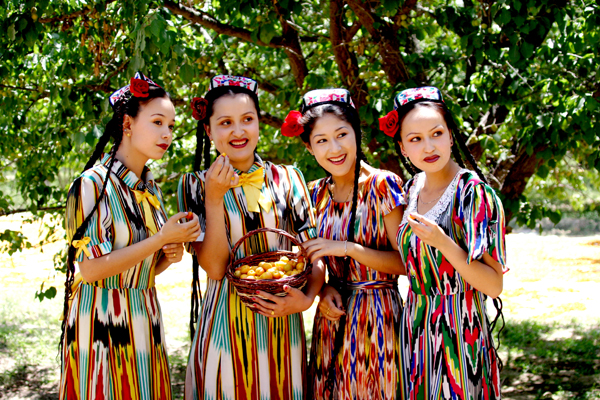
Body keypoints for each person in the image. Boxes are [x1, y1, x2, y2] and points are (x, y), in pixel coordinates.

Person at [178, 75, 324, 400]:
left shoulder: (288, 178)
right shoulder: (193, 185)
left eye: (247, 119)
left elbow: (314, 253)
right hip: (224, 329)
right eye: (225, 122)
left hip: (283, 325)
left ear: (259, 123)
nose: (238, 131)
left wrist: (307, 298)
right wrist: (214, 199)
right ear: (208, 130)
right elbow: (215, 269)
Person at [59, 72, 201, 399]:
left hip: (144, 313)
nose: (167, 133)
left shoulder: (149, 189)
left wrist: (167, 255)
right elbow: (91, 269)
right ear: (127, 123)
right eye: (157, 122)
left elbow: (138, 272)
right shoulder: (91, 185)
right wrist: (159, 240)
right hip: (100, 320)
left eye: (171, 126)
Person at [379, 86, 507, 399]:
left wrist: (444, 243)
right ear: (403, 149)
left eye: (436, 133)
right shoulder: (412, 189)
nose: (429, 146)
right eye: (415, 139)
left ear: (451, 135)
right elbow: (413, 263)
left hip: (460, 329)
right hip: (416, 325)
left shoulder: (473, 194)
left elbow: (493, 286)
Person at [281, 89, 406, 399]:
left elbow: (406, 263)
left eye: (341, 135)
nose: (334, 148)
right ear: (309, 148)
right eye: (321, 140)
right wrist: (322, 291)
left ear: (356, 134)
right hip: (331, 320)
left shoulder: (382, 185)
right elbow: (308, 261)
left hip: (379, 319)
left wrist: (346, 248)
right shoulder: (313, 194)